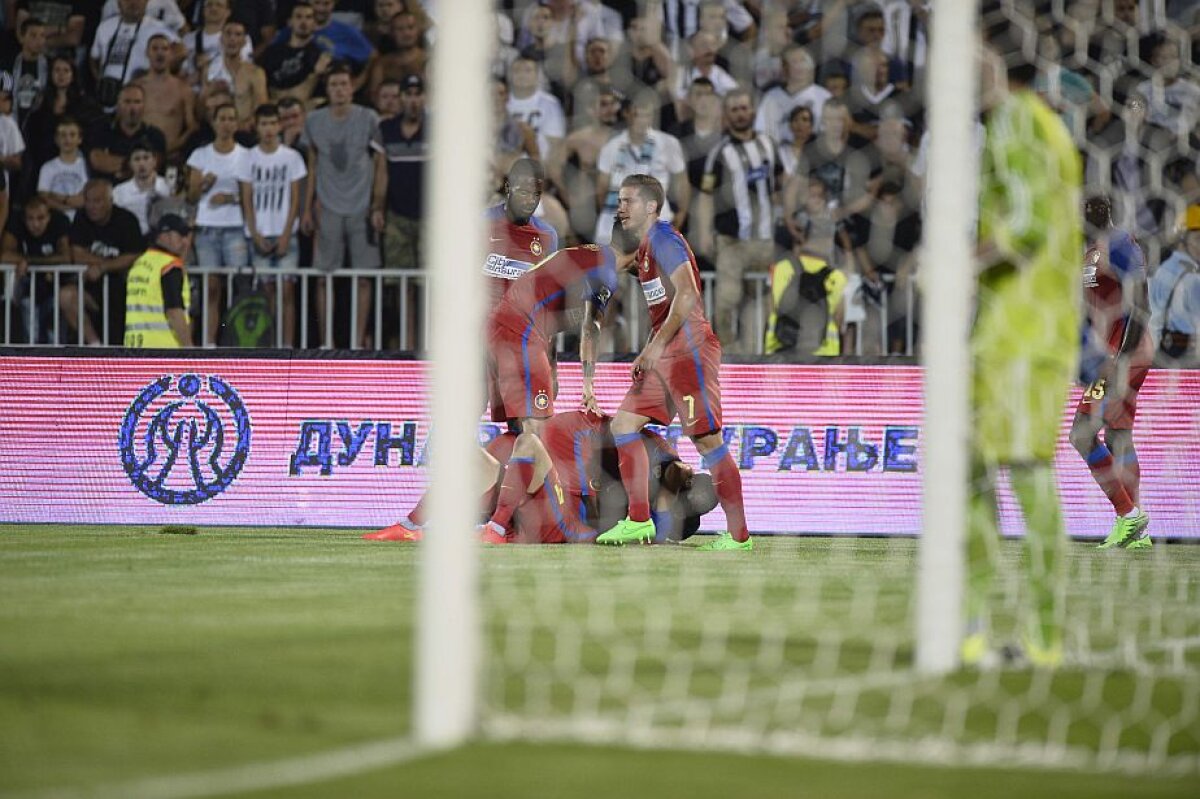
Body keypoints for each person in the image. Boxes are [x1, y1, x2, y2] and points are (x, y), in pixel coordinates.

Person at [964, 25, 1084, 669]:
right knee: (998, 475)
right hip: (1038, 330)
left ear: (996, 62)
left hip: (1018, 333)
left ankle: (1003, 634)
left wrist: (960, 264)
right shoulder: (1045, 126)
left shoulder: (1014, 119)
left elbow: (1029, 225)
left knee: (994, 476)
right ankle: (1026, 638)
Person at [596, 173, 752, 551]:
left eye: (628, 200)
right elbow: (620, 269)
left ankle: (739, 537)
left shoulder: (664, 238)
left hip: (689, 353)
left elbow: (687, 295)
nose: (620, 207)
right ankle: (637, 521)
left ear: (651, 206)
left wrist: (654, 348)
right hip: (664, 354)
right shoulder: (646, 250)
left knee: (707, 441)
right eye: (618, 200)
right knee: (623, 425)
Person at [486, 232, 635, 437]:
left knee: (517, 430)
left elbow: (548, 313)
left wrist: (551, 368)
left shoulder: (585, 255)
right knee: (537, 432)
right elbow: (591, 328)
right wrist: (588, 385)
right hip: (521, 333)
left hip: (500, 328)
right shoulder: (605, 272)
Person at [1069, 194, 1154, 549]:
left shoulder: (1119, 243)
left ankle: (1128, 515)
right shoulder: (1090, 249)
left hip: (1127, 351)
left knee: (1081, 433)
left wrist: (1119, 360)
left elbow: (1141, 304)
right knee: (1118, 435)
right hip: (1110, 351)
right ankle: (1138, 532)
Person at [302, 64, 386, 349]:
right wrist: (307, 207)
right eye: (333, 84)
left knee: (364, 277)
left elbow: (379, 161)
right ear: (327, 90)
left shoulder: (368, 118)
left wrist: (377, 205)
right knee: (324, 276)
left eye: (343, 84)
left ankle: (359, 341)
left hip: (361, 205)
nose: (339, 89)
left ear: (352, 88)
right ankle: (326, 341)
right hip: (327, 205)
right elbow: (312, 165)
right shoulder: (314, 120)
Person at [699, 87, 785, 354]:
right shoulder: (719, 152)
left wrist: (787, 217)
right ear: (726, 115)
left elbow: (781, 183)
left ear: (753, 112)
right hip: (732, 242)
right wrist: (704, 232)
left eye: (744, 108)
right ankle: (726, 352)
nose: (740, 114)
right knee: (727, 298)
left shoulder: (769, 145)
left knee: (759, 301)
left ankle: (754, 354)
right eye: (734, 109)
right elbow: (706, 195)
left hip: (766, 240)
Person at [239, 103, 307, 348]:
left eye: (272, 123)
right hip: (258, 234)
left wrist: (288, 233)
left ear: (279, 125)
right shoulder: (248, 157)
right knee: (266, 293)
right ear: (256, 127)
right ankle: (269, 346)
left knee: (287, 291)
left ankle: (287, 347)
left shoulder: (292, 157)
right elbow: (246, 197)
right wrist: (255, 233)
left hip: (285, 233)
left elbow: (295, 198)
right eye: (263, 124)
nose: (268, 129)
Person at [594, 91, 689, 245]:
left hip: (657, 223)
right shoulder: (611, 148)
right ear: (626, 114)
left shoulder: (668, 143)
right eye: (638, 115)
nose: (643, 121)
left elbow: (681, 181)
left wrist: (682, 213)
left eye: (648, 116)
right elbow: (601, 190)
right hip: (616, 228)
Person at [187, 102, 247, 345]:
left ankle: (235, 340)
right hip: (207, 228)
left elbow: (251, 195)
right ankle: (210, 342)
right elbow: (190, 196)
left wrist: (230, 198)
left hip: (235, 228)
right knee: (211, 287)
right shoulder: (200, 155)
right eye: (222, 118)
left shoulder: (245, 155)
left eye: (231, 118)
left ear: (237, 123)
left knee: (237, 287)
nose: (226, 123)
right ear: (213, 123)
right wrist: (203, 186)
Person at [62, 179, 145, 345]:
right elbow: (77, 255)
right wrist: (113, 263)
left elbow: (135, 256)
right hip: (90, 287)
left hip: (123, 289)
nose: (92, 206)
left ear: (110, 201)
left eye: (97, 201)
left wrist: (103, 267)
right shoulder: (81, 218)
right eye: (88, 201)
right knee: (66, 295)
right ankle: (95, 345)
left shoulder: (127, 221)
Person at [483, 158, 559, 308]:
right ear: (507, 188)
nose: (531, 201)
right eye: (524, 192)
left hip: (520, 324)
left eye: (536, 194)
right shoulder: (482, 224)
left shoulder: (547, 235)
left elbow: (547, 290)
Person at [0, 196, 71, 343]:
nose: (35, 224)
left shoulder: (59, 223)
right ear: (24, 219)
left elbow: (66, 257)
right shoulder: (16, 225)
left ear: (49, 217)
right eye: (30, 219)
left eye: (40, 218)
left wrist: (28, 261)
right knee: (31, 336)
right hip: (27, 293)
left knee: (55, 337)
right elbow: (4, 255)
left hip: (54, 291)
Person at [123, 213, 193, 348]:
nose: (186, 242)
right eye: (181, 235)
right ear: (164, 235)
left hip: (134, 347)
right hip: (163, 350)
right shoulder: (170, 266)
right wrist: (189, 348)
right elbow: (174, 312)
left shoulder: (140, 263)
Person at [1149, 205, 1200, 367]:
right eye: (1198, 239)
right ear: (1182, 238)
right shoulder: (1193, 278)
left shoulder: (1160, 270)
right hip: (1189, 360)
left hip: (1159, 356)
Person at [87, 83, 168, 184]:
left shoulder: (155, 135)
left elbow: (156, 165)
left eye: (137, 102)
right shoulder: (101, 131)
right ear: (118, 105)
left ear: (144, 106)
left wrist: (119, 165)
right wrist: (139, 165)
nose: (132, 108)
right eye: (127, 102)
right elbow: (97, 161)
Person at [135, 33, 196, 164]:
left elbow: (192, 127)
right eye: (155, 49)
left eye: (164, 49)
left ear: (171, 54)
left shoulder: (183, 89)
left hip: (171, 157)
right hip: (139, 157)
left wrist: (171, 148)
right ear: (147, 53)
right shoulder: (136, 88)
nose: (160, 53)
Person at [202, 19, 268, 132]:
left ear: (244, 41)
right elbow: (201, 110)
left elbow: (261, 109)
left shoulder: (255, 73)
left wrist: (241, 127)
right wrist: (209, 90)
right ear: (221, 38)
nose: (232, 39)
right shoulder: (209, 70)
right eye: (228, 33)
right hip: (214, 132)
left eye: (238, 34)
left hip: (246, 132)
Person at [112, 139, 172, 235]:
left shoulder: (167, 187)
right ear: (130, 164)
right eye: (137, 159)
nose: (141, 163)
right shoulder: (119, 192)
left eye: (146, 158)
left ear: (154, 161)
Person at [37, 118, 89, 223]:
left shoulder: (87, 166)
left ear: (80, 139)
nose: (67, 139)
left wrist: (58, 197)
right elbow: (44, 198)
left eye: (72, 135)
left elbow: (85, 199)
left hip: (82, 220)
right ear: (56, 139)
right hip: (54, 221)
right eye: (63, 135)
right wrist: (66, 208)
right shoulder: (47, 167)